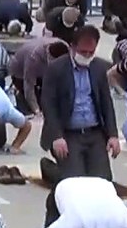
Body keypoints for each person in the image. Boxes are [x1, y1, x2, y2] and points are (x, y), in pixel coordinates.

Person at [39, 26, 119, 181]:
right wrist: (57, 136)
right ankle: (51, 169)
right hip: (68, 133)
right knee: (74, 180)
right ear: (72, 47)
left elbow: (106, 103)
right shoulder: (56, 69)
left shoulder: (98, 68)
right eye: (83, 52)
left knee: (103, 181)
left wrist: (113, 135)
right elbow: (48, 104)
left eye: (91, 52)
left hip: (94, 132)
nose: (87, 56)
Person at [9, 35, 69, 115]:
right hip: (20, 72)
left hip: (43, 71)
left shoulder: (66, 47)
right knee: (32, 101)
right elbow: (28, 87)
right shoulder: (34, 58)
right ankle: (20, 97)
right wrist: (36, 110)